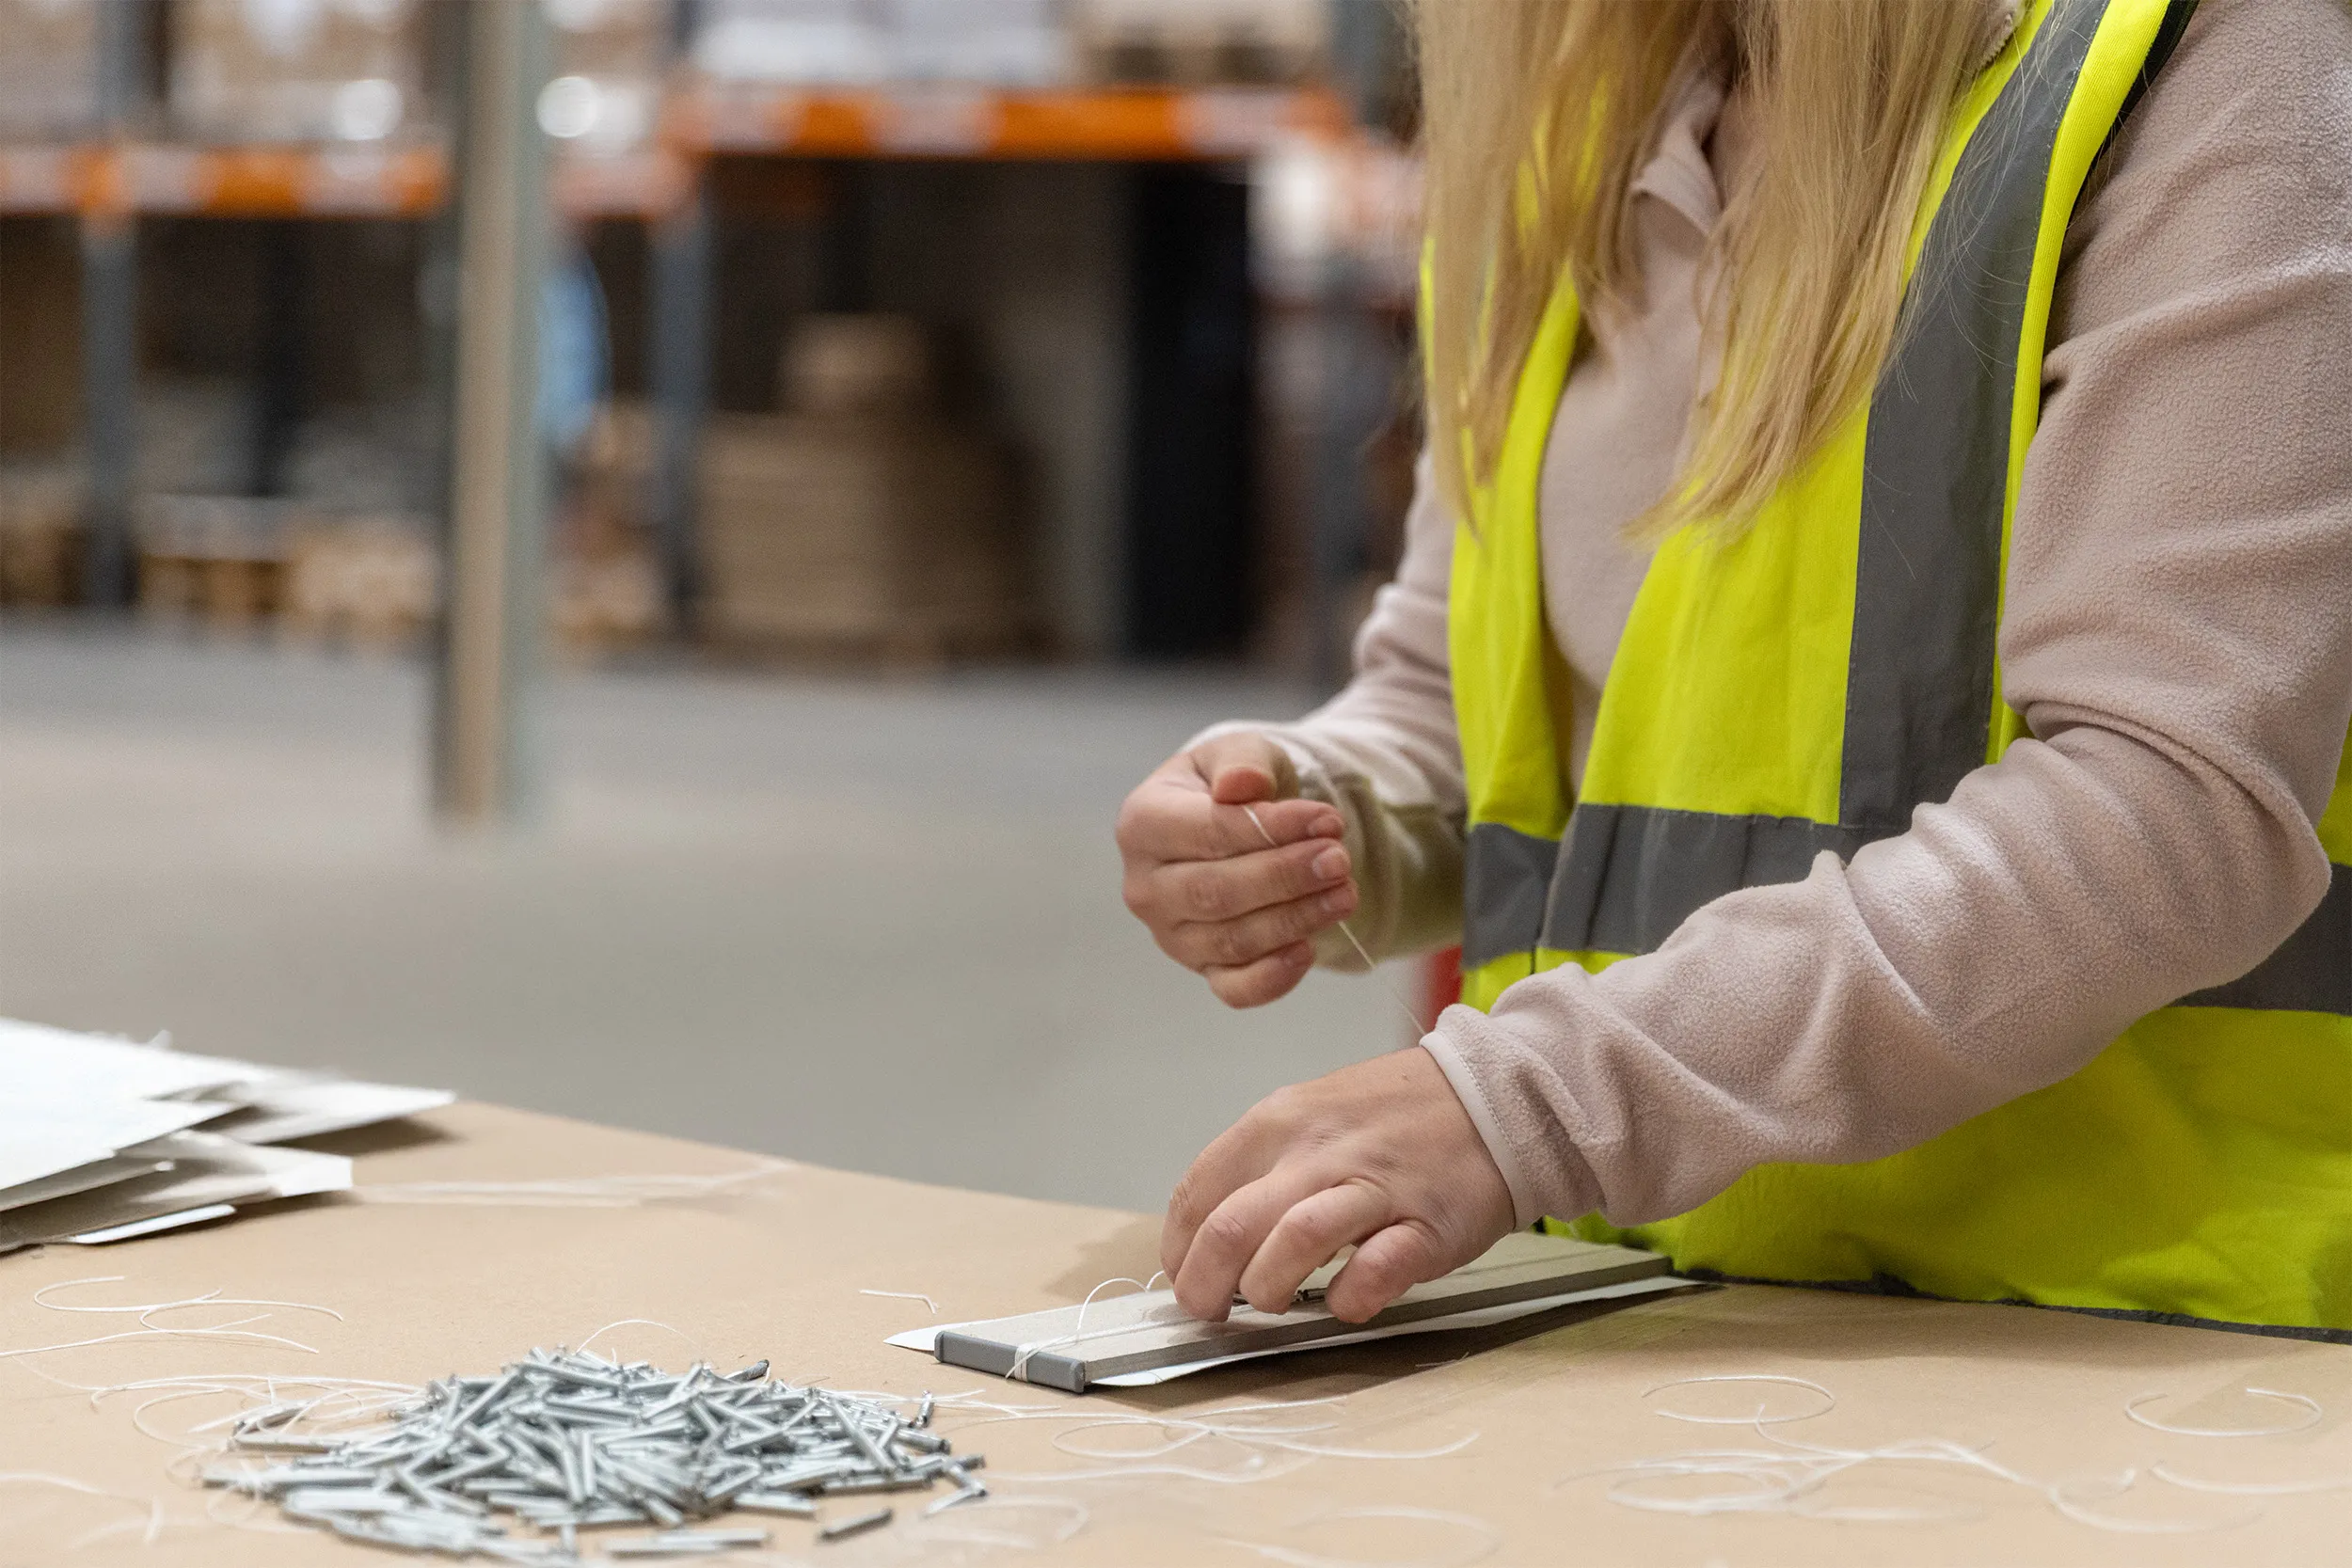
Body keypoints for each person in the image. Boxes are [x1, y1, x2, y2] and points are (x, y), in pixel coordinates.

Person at [1118, 0, 2352, 1335]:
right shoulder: (1577, 116)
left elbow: (2172, 807)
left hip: (2128, 1342)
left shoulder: (2207, 60)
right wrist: (1317, 811)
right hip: (1667, 1310)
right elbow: (1472, 694)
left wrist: (1534, 1100)